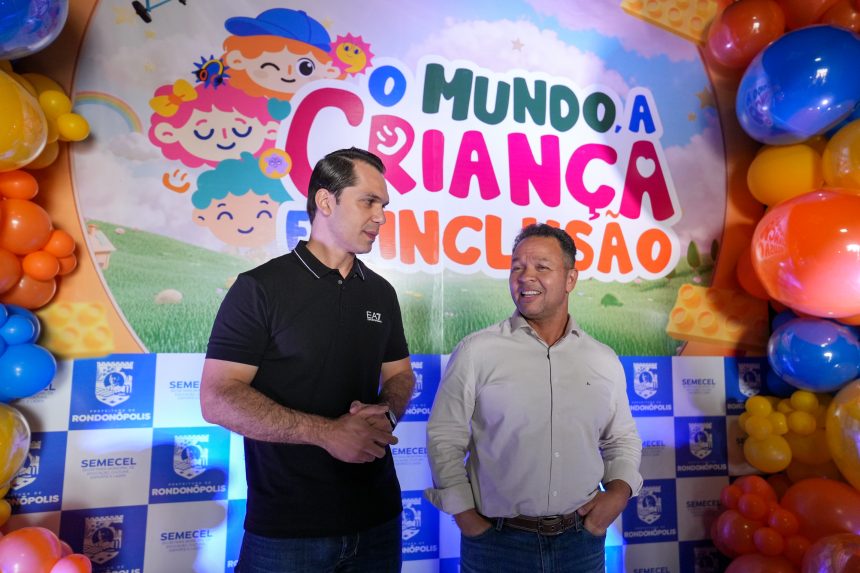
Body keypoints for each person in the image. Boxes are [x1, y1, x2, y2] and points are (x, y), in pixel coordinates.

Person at [200, 147, 416, 572]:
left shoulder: (381, 293)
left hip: (379, 521)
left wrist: (387, 413)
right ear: (325, 201)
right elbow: (217, 398)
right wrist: (327, 433)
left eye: (384, 206)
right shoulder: (260, 287)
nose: (381, 217)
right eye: (369, 202)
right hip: (287, 532)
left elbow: (401, 375)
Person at [425, 223, 642, 573]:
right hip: (496, 545)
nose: (526, 276)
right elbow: (444, 437)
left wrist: (617, 494)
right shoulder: (477, 351)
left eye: (542, 266)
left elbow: (622, 438)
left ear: (570, 279)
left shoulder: (603, 359)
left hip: (581, 543)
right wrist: (467, 518)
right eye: (517, 267)